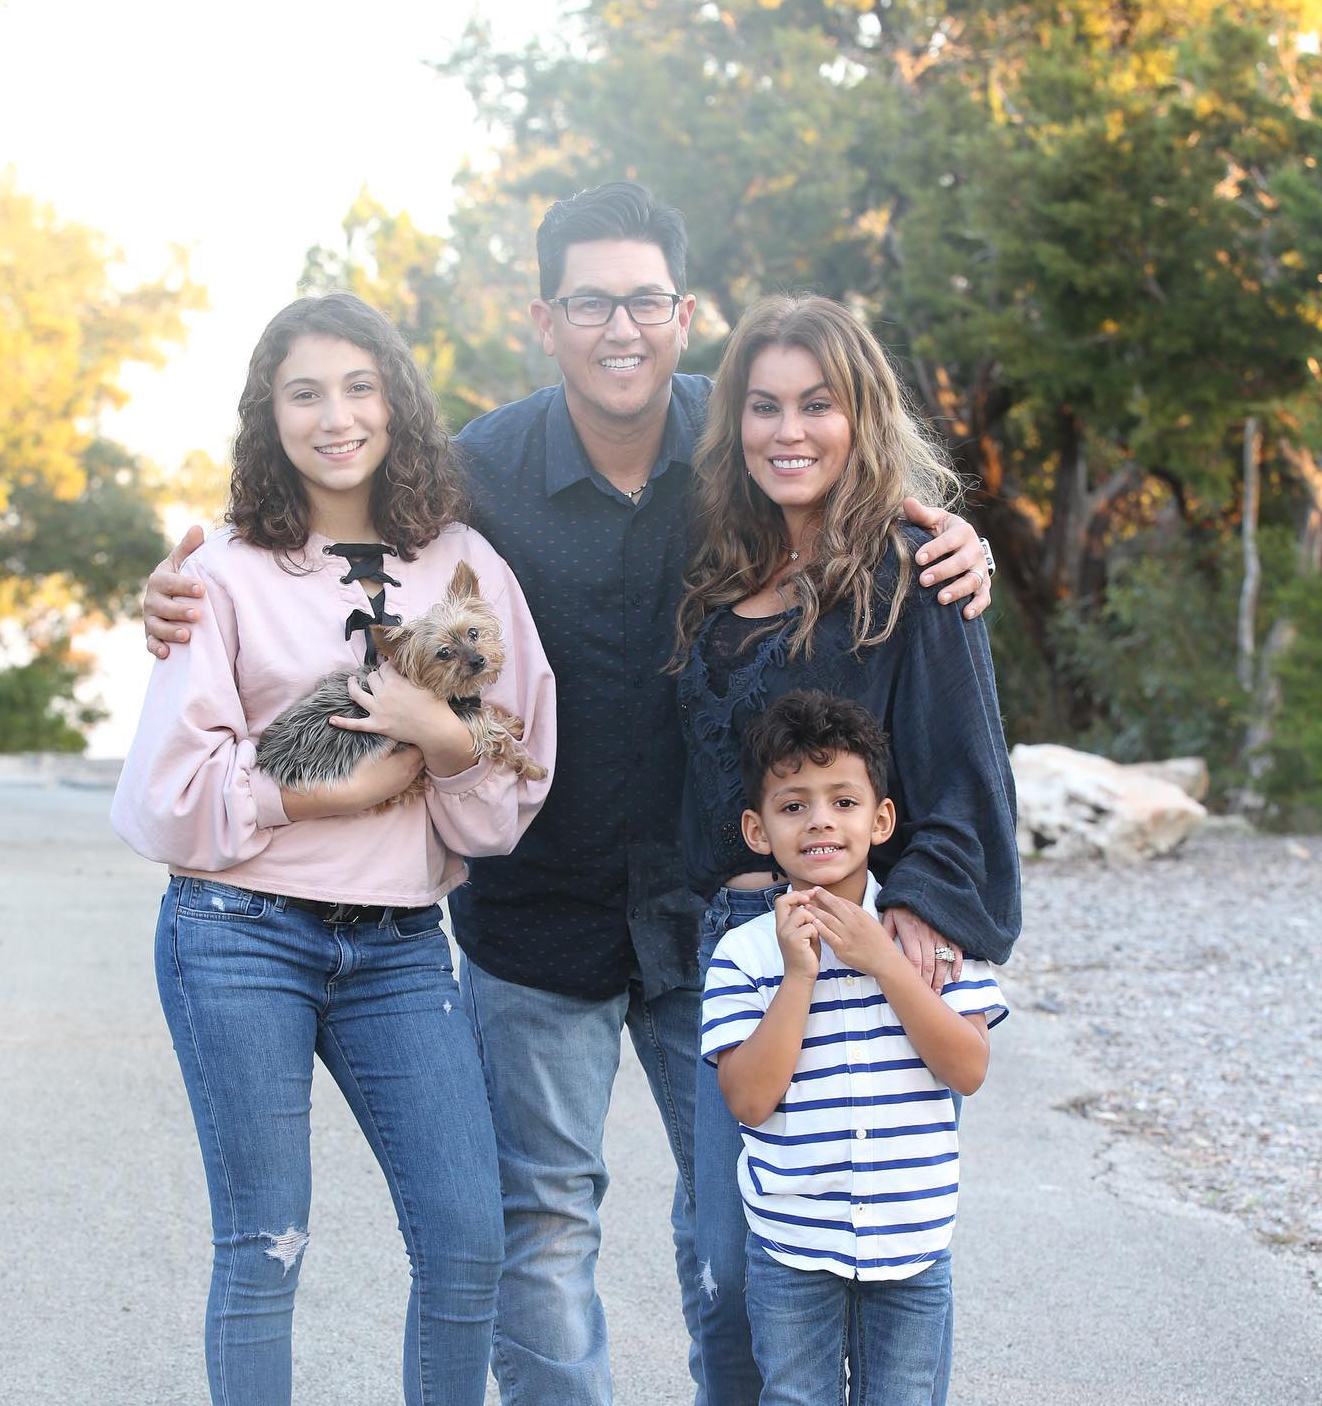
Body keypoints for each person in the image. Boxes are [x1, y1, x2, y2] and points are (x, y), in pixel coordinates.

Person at [140, 184, 994, 1406]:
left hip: (722, 907)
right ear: (546, 318)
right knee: (538, 1232)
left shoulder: (744, 440)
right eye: (589, 302)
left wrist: (959, 542)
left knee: (739, 1237)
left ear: (685, 312)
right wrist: (170, 596)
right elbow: (316, 536)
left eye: (646, 300)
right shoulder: (477, 474)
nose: (620, 328)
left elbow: (856, 504)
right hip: (536, 909)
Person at [111, 293, 555, 1406]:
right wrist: (323, 794)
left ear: (397, 402)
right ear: (269, 414)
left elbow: (506, 794)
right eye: (303, 392)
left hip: (402, 948)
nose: (335, 415)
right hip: (237, 934)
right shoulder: (215, 571)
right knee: (265, 1247)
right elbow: (168, 794)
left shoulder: (466, 565)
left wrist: (442, 741)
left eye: (359, 387)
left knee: (465, 1242)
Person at [674, 292, 1021, 1403]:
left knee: (869, 1262)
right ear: (734, 424)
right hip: (734, 942)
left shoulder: (918, 571)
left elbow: (971, 780)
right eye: (765, 406)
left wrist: (914, 909)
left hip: (855, 939)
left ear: (861, 413)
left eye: (817, 404)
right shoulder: (718, 574)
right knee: (735, 1266)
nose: (790, 431)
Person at [700, 690, 1007, 1406]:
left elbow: (966, 1068)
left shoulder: (934, 935)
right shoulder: (743, 953)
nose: (821, 822)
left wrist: (885, 961)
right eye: (794, 805)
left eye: (843, 800)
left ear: (882, 818)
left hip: (912, 1242)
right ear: (757, 829)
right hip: (792, 1245)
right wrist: (799, 975)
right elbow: (747, 1100)